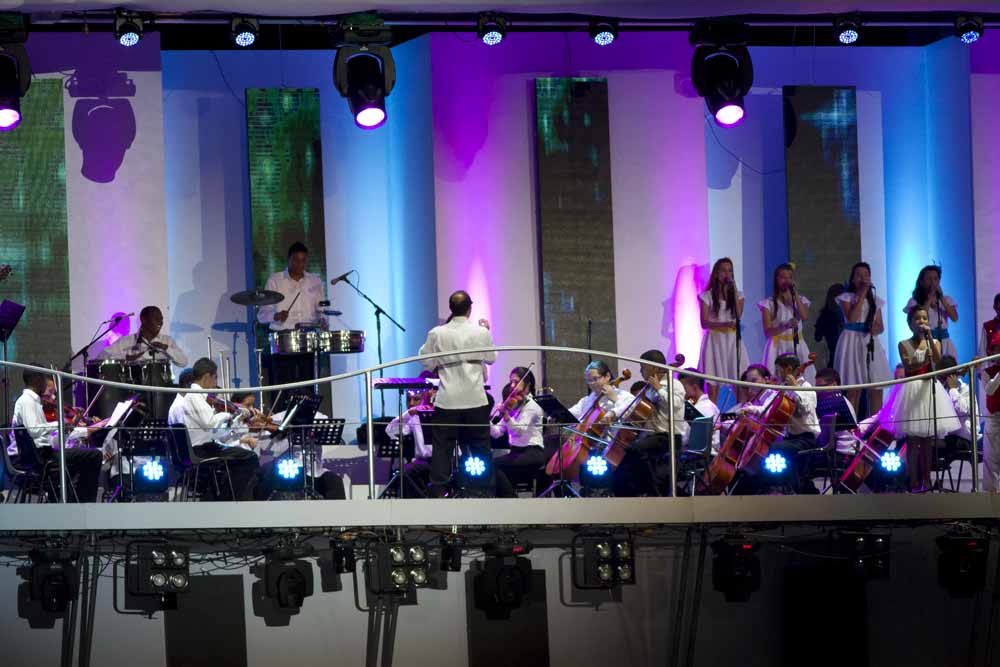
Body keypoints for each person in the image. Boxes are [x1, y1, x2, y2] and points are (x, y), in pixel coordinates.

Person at [418, 290, 497, 496]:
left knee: (442, 448)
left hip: (448, 400)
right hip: (475, 399)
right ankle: (482, 490)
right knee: (480, 447)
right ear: (470, 308)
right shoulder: (481, 332)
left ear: (451, 309)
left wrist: (440, 359)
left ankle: (439, 491)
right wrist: (486, 332)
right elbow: (491, 358)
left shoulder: (437, 333)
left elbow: (426, 361)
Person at [879, 306, 961, 493]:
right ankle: (913, 482)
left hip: (929, 389)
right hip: (912, 390)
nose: (922, 322)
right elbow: (909, 365)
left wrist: (930, 339)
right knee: (912, 440)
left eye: (924, 318)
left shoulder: (935, 342)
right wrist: (925, 358)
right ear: (910, 324)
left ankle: (927, 481)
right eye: (917, 319)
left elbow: (938, 361)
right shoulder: (904, 344)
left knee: (927, 441)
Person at [168, 357, 260, 501]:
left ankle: (218, 499)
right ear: (207, 377)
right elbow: (210, 423)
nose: (216, 383)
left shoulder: (197, 397)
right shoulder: (194, 396)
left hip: (205, 446)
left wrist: (234, 419)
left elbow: (213, 432)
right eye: (215, 377)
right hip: (200, 450)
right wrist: (226, 414)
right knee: (249, 458)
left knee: (241, 459)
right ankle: (224, 500)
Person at [12, 365, 102, 502]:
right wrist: (58, 424)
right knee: (94, 455)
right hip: (39, 456)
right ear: (37, 380)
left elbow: (45, 438)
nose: (46, 384)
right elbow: (34, 430)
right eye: (44, 379)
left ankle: (72, 503)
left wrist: (65, 429)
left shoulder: (32, 401)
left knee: (80, 460)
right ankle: (84, 504)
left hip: (42, 453)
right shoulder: (27, 401)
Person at [257, 241, 329, 410]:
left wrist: (323, 320)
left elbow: (321, 309)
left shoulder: (314, 281)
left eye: (303, 260)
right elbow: (262, 314)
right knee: (284, 385)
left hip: (308, 338)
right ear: (289, 259)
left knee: (308, 384)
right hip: (283, 339)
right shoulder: (275, 280)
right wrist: (276, 316)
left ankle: (307, 419)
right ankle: (282, 419)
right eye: (296, 260)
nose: (300, 264)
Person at [612, 350, 688, 497]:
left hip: (669, 437)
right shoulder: (649, 389)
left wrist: (659, 388)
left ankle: (655, 493)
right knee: (625, 466)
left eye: (643, 367)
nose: (641, 371)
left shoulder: (674, 384)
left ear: (653, 367)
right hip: (653, 438)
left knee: (635, 449)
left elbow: (676, 404)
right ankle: (625, 495)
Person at [746, 354, 821, 494]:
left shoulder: (807, 387)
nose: (777, 374)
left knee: (776, 448)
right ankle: (771, 487)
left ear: (789, 369)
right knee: (768, 448)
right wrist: (750, 409)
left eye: (779, 370)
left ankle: (784, 486)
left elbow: (805, 409)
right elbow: (769, 409)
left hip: (806, 439)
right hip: (791, 438)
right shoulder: (784, 388)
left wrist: (795, 388)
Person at [834, 262, 891, 415]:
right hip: (851, 341)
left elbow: (881, 326)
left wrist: (875, 329)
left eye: (866, 275)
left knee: (876, 387)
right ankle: (852, 425)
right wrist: (862, 294)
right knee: (854, 388)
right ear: (853, 279)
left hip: (869, 342)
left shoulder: (875, 300)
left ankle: (874, 424)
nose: (863, 278)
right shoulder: (846, 298)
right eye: (859, 275)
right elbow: (852, 318)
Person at [698, 258, 750, 404]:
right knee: (713, 383)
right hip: (715, 341)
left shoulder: (738, 295)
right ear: (716, 273)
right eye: (723, 270)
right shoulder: (707, 295)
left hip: (732, 341)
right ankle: (712, 415)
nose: (727, 274)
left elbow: (738, 315)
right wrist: (723, 324)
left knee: (738, 380)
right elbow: (704, 323)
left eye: (730, 270)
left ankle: (741, 414)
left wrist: (734, 290)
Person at [490, 367, 545, 497]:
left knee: (493, 465)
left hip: (532, 453)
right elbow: (497, 432)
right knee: (490, 467)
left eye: (516, 382)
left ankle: (512, 500)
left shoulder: (532, 406)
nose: (512, 386)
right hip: (516, 453)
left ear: (527, 384)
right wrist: (486, 420)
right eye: (511, 382)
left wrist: (506, 416)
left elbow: (519, 430)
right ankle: (507, 501)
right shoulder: (514, 405)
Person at [759, 263, 815, 384]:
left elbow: (804, 316)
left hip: (797, 344)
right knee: (778, 381)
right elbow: (767, 331)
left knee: (802, 379)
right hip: (777, 346)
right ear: (777, 279)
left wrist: (793, 298)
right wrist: (785, 326)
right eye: (783, 277)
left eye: (790, 277)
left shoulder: (800, 300)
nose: (787, 280)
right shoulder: (768, 303)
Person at [99, 306, 189, 368]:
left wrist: (166, 348)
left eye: (161, 319)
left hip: (161, 388)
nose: (160, 321)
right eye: (156, 318)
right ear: (143, 319)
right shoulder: (126, 341)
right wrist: (126, 357)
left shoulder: (167, 341)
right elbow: (101, 357)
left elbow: (183, 362)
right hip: (134, 388)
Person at [904, 265, 959, 360]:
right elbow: (920, 318)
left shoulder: (946, 299)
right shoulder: (914, 301)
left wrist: (941, 298)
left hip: (945, 343)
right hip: (925, 341)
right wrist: (929, 299)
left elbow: (955, 318)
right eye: (929, 279)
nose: (933, 282)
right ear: (921, 282)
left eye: (935, 279)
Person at [386, 389, 435, 491]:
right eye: (408, 400)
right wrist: (408, 413)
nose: (411, 403)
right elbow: (391, 430)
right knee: (404, 472)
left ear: (426, 398)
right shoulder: (413, 417)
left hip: (445, 461)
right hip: (423, 462)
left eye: (416, 399)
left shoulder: (441, 415)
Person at [814, 367, 860, 458]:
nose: (817, 391)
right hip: (837, 449)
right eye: (816, 388)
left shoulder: (836, 402)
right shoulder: (833, 400)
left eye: (821, 387)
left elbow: (824, 435)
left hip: (841, 452)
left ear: (834, 385)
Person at [678, 368, 720, 451]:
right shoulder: (706, 406)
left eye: (683, 389)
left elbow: (684, 438)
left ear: (695, 388)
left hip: (701, 455)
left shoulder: (703, 408)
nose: (681, 393)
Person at [981, 332, 1000, 493]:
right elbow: (990, 390)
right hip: (993, 418)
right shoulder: (987, 372)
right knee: (990, 458)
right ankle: (990, 496)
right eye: (996, 348)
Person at [814, 283, 846, 368]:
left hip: (835, 357)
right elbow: (817, 337)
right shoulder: (845, 314)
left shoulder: (824, 315)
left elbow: (817, 337)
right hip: (841, 355)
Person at [979, 292, 1000, 357]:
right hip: (992, 362)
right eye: (999, 308)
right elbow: (982, 352)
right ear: (994, 307)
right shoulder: (987, 326)